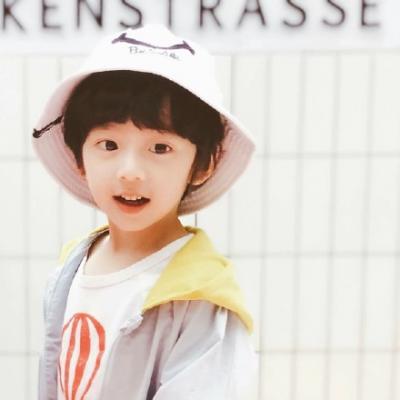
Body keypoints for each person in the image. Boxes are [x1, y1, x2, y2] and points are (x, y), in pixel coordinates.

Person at [32, 23, 257, 400]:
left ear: (202, 165)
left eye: (160, 148)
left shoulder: (199, 298)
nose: (130, 171)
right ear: (79, 157)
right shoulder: (73, 266)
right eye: (108, 144)